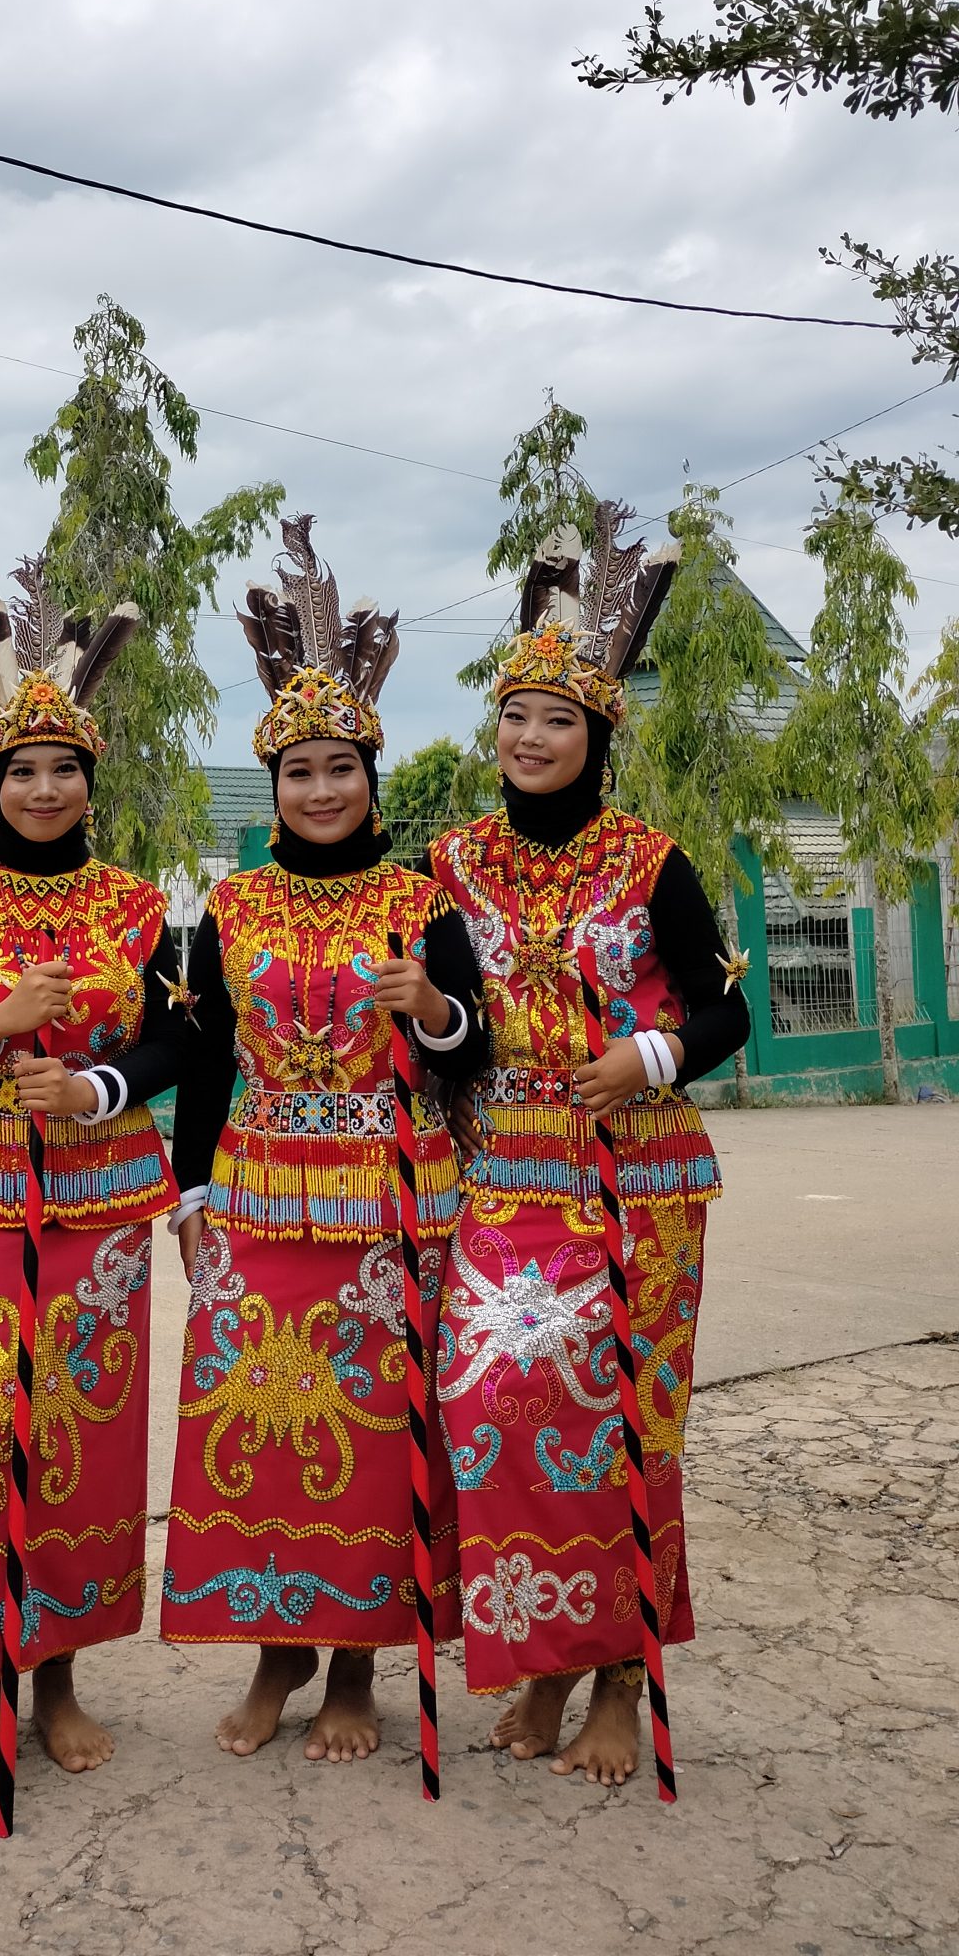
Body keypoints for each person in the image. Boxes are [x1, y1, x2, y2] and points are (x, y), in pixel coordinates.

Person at [428, 504, 750, 1786]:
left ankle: (619, 1681)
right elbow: (449, 1035)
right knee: (495, 1413)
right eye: (514, 715)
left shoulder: (653, 861)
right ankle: (547, 1660)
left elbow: (725, 1007)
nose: (529, 737)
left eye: (555, 719)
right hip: (505, 1178)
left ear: (597, 734)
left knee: (625, 1429)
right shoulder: (451, 863)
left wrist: (651, 1057)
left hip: (637, 1177)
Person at [161, 516, 487, 1762]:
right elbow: (201, 1063)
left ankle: (355, 1665)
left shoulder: (422, 902)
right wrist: (190, 1197)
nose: (320, 790)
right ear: (274, 784)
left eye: (339, 767)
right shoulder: (231, 904)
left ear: (370, 773)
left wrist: (435, 1008)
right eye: (298, 771)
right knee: (253, 1428)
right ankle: (274, 1650)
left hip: (390, 1204)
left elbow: (471, 1052)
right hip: (253, 1203)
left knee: (370, 1434)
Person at [0, 561, 181, 1781]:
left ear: (89, 781)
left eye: (64, 768)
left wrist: (98, 1087)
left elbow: (177, 1041)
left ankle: (56, 1673)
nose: (45, 787)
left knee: (82, 1433)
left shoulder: (140, 906)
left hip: (98, 1205)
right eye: (23, 769)